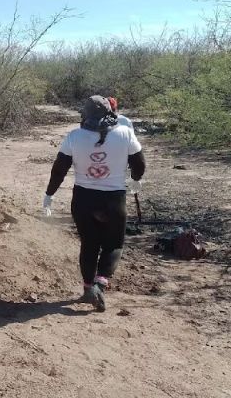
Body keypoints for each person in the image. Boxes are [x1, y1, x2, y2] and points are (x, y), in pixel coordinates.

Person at [43, 95, 146, 312]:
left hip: (83, 199)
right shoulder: (125, 133)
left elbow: (59, 171)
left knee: (89, 245)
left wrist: (49, 195)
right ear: (110, 113)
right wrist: (136, 180)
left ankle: (88, 288)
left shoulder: (74, 137)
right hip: (113, 200)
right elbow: (139, 163)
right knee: (113, 244)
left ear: (86, 114)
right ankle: (100, 283)